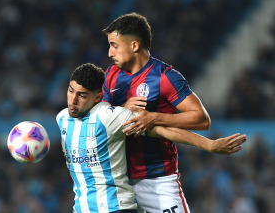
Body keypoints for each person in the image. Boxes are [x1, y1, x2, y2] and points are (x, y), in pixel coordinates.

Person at [56, 63, 246, 213]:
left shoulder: (108, 116)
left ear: (98, 97)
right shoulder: (62, 118)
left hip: (114, 207)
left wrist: (210, 145)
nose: (73, 100)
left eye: (81, 95)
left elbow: (161, 130)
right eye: (71, 91)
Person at [102, 12, 212, 213]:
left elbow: (201, 119)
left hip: (157, 180)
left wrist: (154, 117)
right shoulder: (111, 75)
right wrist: (121, 110)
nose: (110, 53)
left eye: (114, 45)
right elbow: (101, 119)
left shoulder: (165, 77)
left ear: (134, 46)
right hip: (118, 181)